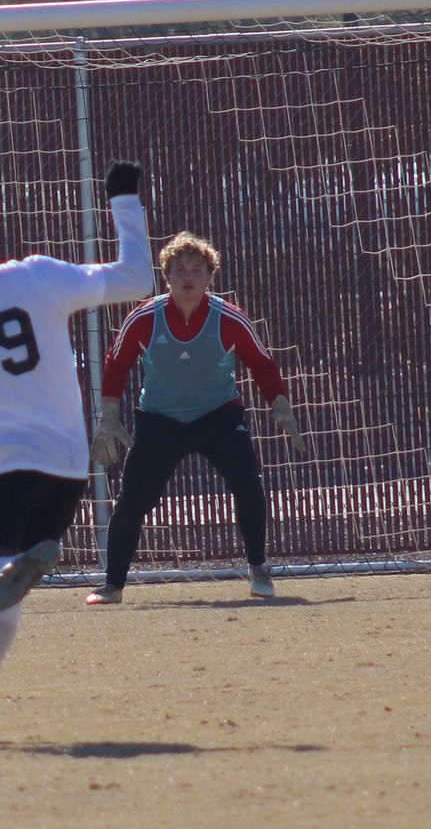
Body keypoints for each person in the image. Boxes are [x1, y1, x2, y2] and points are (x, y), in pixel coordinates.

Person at [0, 159, 154, 742]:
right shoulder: (35, 274)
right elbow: (135, 279)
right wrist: (124, 200)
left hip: (2, 471)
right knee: (6, 591)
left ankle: (1, 568)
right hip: (68, 472)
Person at [84, 232, 305, 605]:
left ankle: (258, 570)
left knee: (248, 482)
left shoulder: (229, 317)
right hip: (159, 419)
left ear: (209, 276)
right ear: (166, 275)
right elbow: (116, 363)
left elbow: (262, 364)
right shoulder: (144, 317)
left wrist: (280, 407)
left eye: (197, 269)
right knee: (132, 500)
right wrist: (108, 417)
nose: (189, 276)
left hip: (219, 416)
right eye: (180, 269)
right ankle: (112, 585)